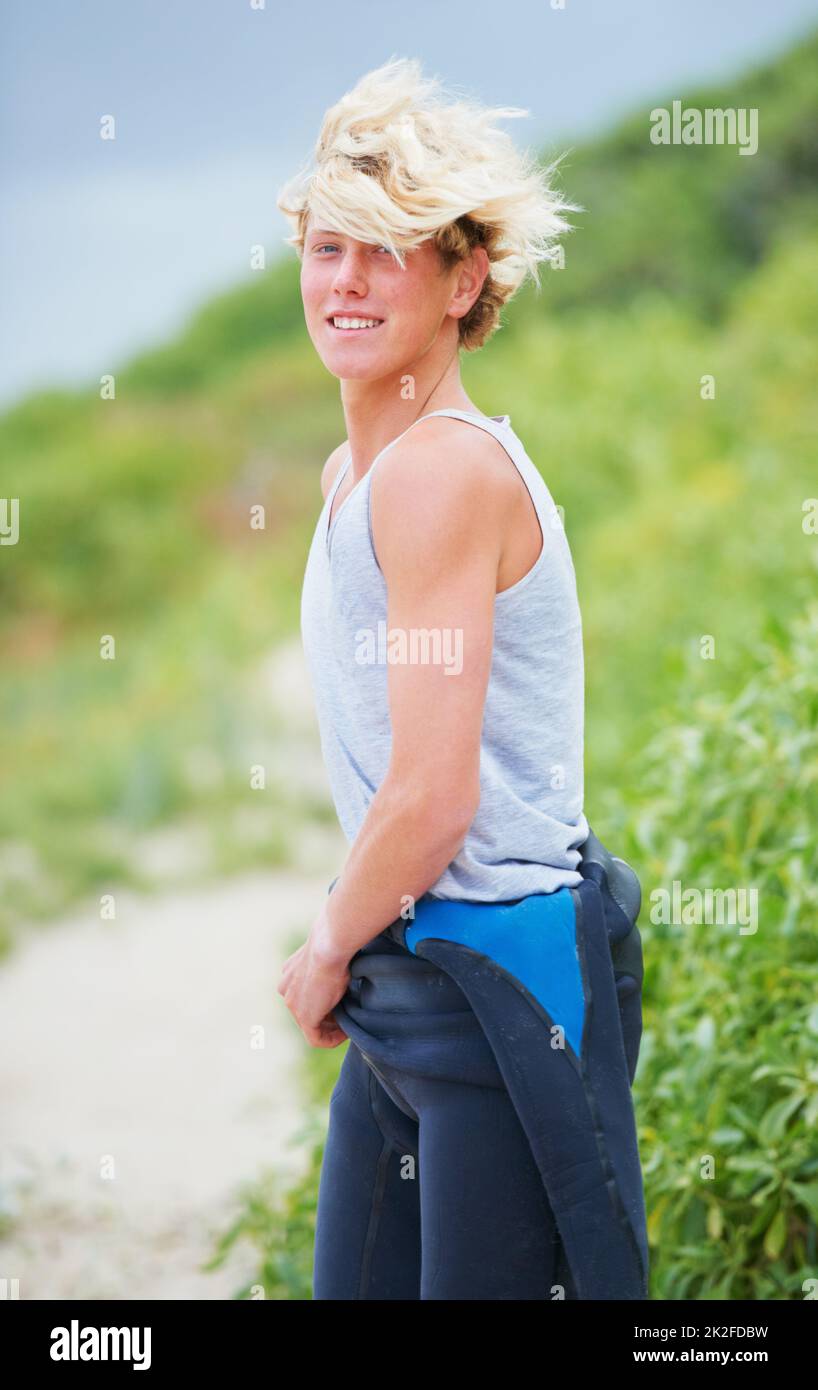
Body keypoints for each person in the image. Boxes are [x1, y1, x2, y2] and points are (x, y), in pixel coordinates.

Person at [276, 55, 648, 1301]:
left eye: (388, 250)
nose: (348, 280)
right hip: (413, 985)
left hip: (500, 993)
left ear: (463, 275)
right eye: (330, 247)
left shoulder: (440, 474)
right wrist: (357, 944)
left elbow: (433, 798)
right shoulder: (353, 481)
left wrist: (322, 944)